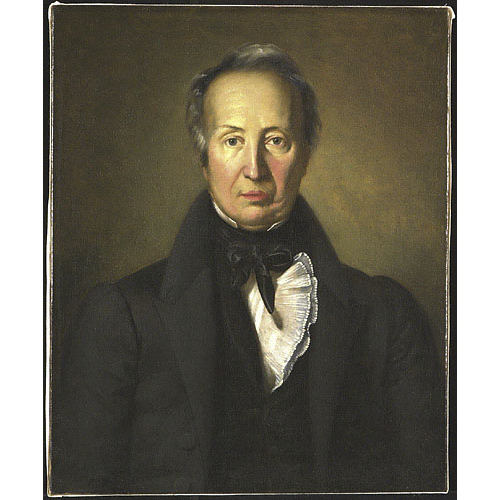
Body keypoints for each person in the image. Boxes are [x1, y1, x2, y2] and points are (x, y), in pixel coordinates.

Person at [52, 43, 445, 495]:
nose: (254, 168)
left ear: (306, 154)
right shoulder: (122, 313)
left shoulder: (386, 314)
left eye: (276, 141)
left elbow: (427, 482)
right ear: (204, 160)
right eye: (232, 140)